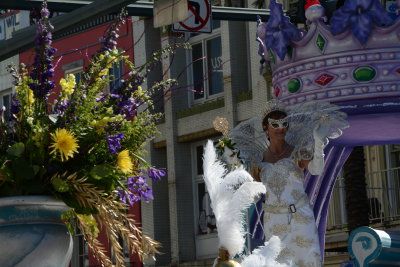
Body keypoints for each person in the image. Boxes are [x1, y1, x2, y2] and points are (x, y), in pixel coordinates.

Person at [224, 99, 348, 266]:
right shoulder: (258, 161)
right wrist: (237, 165)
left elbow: (316, 169)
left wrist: (318, 142)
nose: (280, 128)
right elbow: (254, 190)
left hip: (300, 216)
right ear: (265, 128)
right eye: (274, 124)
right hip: (273, 220)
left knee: (307, 260)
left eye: (284, 123)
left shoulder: (297, 151)